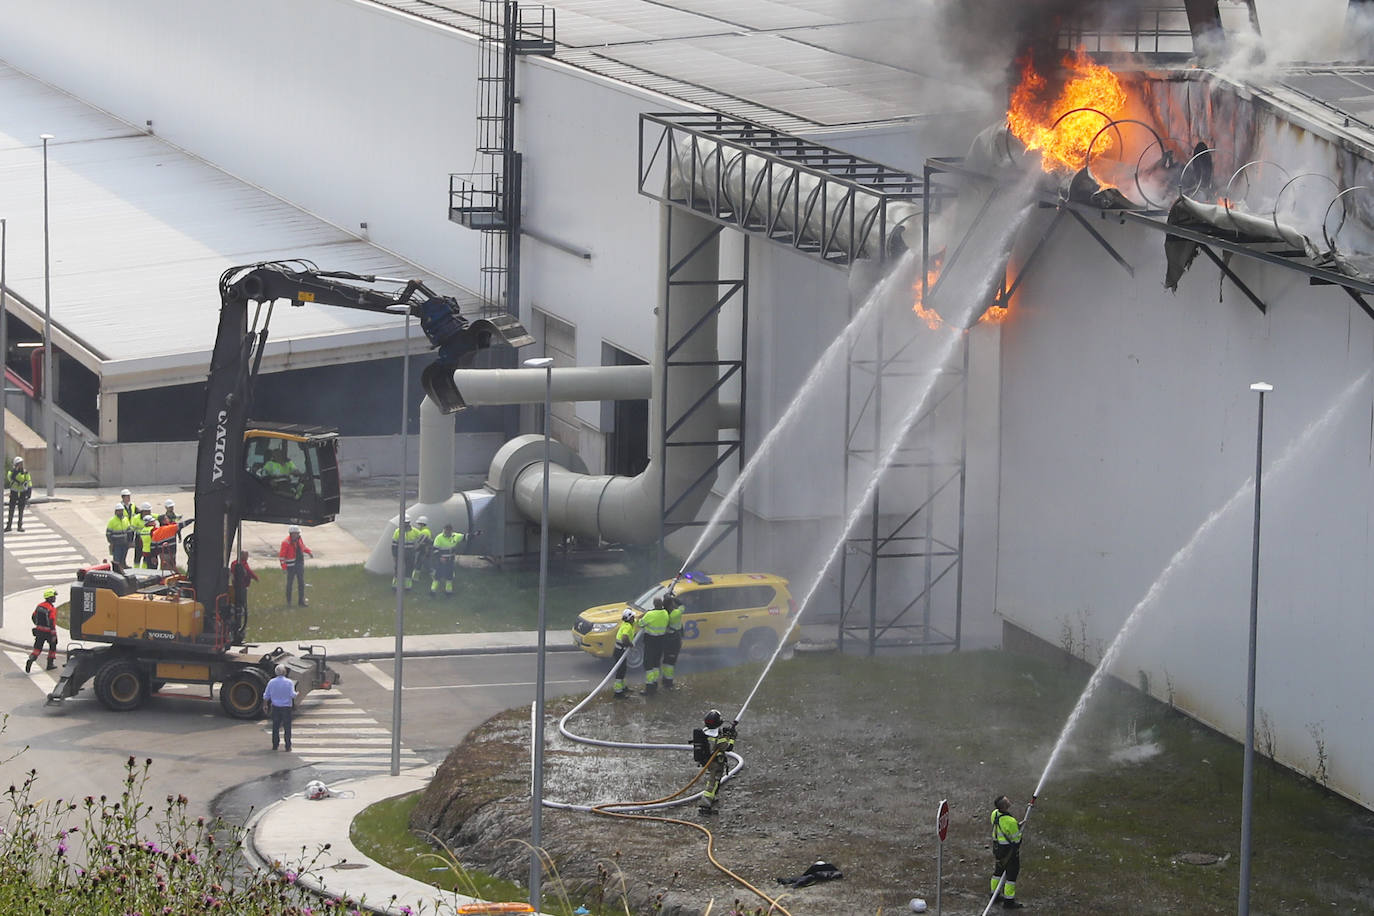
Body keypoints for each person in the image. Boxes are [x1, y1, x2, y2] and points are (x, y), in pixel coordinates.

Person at [694, 708, 737, 815]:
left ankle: (711, 798)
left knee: (712, 780)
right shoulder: (719, 736)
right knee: (713, 783)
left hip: (708, 761)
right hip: (716, 762)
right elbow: (727, 747)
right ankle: (705, 806)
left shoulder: (705, 732)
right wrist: (732, 737)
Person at [990, 794, 1026, 909]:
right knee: (1011, 876)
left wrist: (1016, 826)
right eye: (1007, 801)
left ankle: (993, 895)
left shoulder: (995, 814)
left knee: (998, 872)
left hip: (998, 849)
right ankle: (1008, 902)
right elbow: (1017, 839)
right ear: (1005, 806)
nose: (1009, 801)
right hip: (1009, 851)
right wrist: (1018, 829)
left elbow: (1002, 827)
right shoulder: (1010, 821)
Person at [261, 663, 297, 751]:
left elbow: (266, 695)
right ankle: (288, 746)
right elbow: (292, 695)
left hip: (275, 707)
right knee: (287, 727)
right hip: (286, 707)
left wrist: (265, 705)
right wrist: (297, 694)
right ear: (284, 672)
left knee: (275, 727)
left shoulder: (271, 682)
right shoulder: (289, 682)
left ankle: (275, 745)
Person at [638, 596, 670, 694]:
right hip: (661, 641)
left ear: (654, 604)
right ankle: (655, 683)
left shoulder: (649, 614)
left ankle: (649, 687)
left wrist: (643, 616)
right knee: (656, 664)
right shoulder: (665, 613)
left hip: (650, 641)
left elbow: (640, 624)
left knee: (648, 665)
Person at [25, 587, 59, 673]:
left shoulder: (39, 606)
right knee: (53, 646)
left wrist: (38, 625)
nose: (55, 598)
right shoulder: (51, 608)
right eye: (54, 596)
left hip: (39, 631)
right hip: (48, 632)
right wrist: (53, 634)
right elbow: (52, 621)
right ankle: (50, 664)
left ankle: (31, 659)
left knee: (37, 648)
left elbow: (33, 616)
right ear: (50, 597)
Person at [278, 526, 312, 605]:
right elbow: (282, 557)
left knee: (301, 583)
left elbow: (302, 547)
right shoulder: (286, 543)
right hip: (291, 566)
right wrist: (284, 568)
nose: (297, 535)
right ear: (291, 534)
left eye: (297, 533)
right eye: (295, 534)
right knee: (289, 584)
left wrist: (309, 552)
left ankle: (301, 601)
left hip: (299, 564)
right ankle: (289, 602)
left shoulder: (299, 539)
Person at [430, 522, 464, 596]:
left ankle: (448, 592)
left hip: (450, 561)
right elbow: (435, 549)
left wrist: (475, 534)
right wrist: (440, 557)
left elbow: (464, 537)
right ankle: (433, 591)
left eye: (448, 531)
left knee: (449, 577)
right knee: (437, 576)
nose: (446, 532)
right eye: (445, 531)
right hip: (441, 561)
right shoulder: (439, 537)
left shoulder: (455, 536)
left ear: (451, 531)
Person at [611, 608, 637, 698]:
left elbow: (638, 620)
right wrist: (630, 645)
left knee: (623, 669)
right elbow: (624, 638)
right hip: (620, 651)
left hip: (620, 650)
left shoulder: (629, 623)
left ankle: (623, 687)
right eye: (633, 616)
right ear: (629, 618)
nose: (634, 617)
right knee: (620, 671)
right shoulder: (627, 626)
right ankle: (618, 693)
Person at [661, 592, 685, 690]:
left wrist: (667, 598)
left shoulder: (663, 614)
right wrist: (673, 598)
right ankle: (669, 683)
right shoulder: (676, 613)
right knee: (671, 663)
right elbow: (682, 605)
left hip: (666, 640)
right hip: (674, 640)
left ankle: (664, 679)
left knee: (666, 660)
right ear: (671, 605)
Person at [391, 518, 422, 590]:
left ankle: (407, 586)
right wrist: (395, 555)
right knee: (398, 569)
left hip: (410, 553)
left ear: (409, 523)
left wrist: (418, 547)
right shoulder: (397, 531)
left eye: (407, 523)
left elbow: (423, 538)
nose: (405, 524)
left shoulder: (414, 531)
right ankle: (395, 586)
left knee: (409, 568)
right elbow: (394, 545)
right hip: (400, 553)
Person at [5, 456, 32, 532]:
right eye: (19, 464)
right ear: (15, 464)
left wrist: (29, 492)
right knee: (11, 510)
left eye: (21, 464)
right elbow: (10, 478)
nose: (21, 465)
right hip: (14, 493)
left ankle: (19, 526)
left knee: (21, 510)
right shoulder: (11, 472)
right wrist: (16, 472)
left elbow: (29, 481)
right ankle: (9, 526)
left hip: (22, 493)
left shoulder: (25, 472)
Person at [105, 504, 133, 568]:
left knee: (123, 557)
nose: (120, 512)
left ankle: (123, 566)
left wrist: (129, 541)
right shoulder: (112, 521)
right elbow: (108, 533)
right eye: (119, 511)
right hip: (116, 544)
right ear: (115, 512)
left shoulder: (125, 519)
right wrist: (111, 542)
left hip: (125, 543)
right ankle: (117, 570)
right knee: (117, 560)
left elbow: (129, 531)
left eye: (121, 511)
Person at [412, 516, 434, 586]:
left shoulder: (424, 532)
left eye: (419, 524)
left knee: (428, 566)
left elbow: (421, 543)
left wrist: (415, 550)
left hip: (425, 551)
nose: (418, 525)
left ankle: (435, 578)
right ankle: (415, 578)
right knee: (418, 564)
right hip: (425, 550)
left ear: (421, 524)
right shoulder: (426, 530)